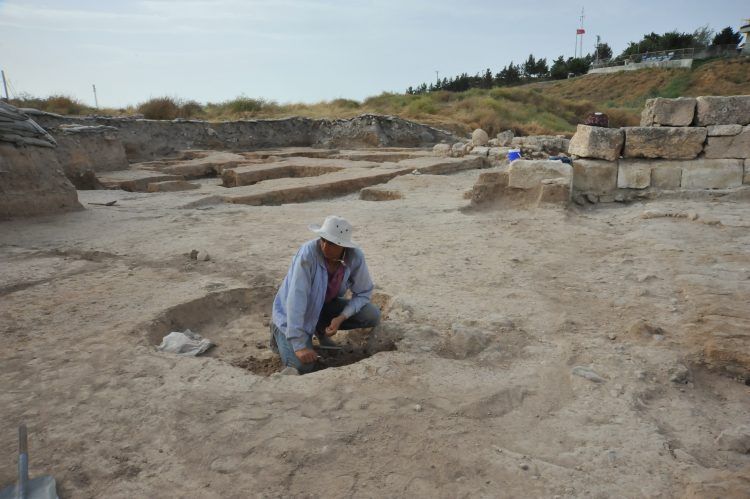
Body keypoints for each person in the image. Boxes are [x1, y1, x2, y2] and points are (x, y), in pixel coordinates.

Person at [270, 215, 380, 374]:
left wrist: (341, 317)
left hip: (323, 306)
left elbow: (363, 292)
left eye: (332, 243)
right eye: (323, 239)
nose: (324, 246)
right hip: (290, 315)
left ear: (344, 246)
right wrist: (299, 345)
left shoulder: (355, 257)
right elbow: (296, 299)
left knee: (372, 314)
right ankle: (278, 335)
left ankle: (319, 329)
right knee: (303, 366)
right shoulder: (307, 254)